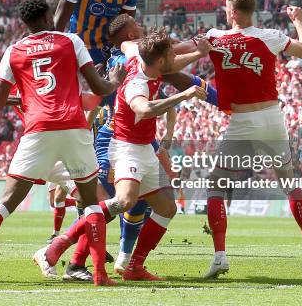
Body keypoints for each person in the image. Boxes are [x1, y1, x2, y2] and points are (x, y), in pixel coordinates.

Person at [0, 0, 125, 286]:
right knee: (91, 204)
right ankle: (100, 275)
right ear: (49, 18)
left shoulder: (13, 52)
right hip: (74, 126)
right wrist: (115, 79)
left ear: (25, 24)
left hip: (38, 129)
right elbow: (98, 87)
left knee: (5, 202)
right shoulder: (71, 41)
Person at [37, 30, 212, 282]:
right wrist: (184, 93)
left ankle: (134, 267)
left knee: (166, 207)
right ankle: (57, 247)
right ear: (161, 62)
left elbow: (128, 43)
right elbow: (145, 108)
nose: (175, 57)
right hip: (126, 147)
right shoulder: (136, 84)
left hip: (144, 148)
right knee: (123, 201)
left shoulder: (136, 56)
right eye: (171, 54)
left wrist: (197, 52)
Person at [200, 0, 302, 278]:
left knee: (216, 183)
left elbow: (174, 53)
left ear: (232, 11)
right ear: (251, 10)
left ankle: (219, 256)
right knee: (289, 182)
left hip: (243, 122)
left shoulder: (215, 38)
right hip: (271, 117)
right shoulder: (270, 36)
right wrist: (299, 21)